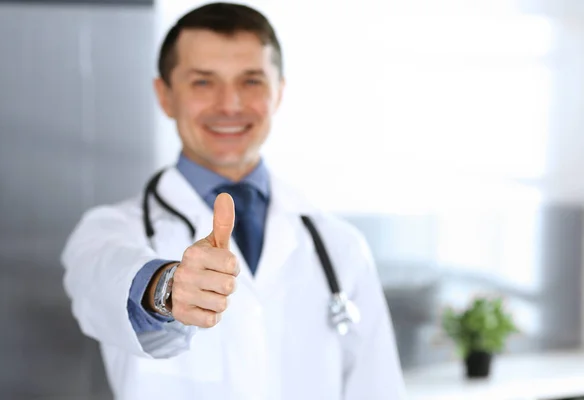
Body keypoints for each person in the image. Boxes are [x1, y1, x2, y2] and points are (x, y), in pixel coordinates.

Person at [61, 2, 406, 399]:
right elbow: (103, 277)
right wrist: (167, 287)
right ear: (165, 95)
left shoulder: (340, 245)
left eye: (251, 81)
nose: (229, 105)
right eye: (203, 82)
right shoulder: (108, 229)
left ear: (279, 92)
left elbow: (378, 388)